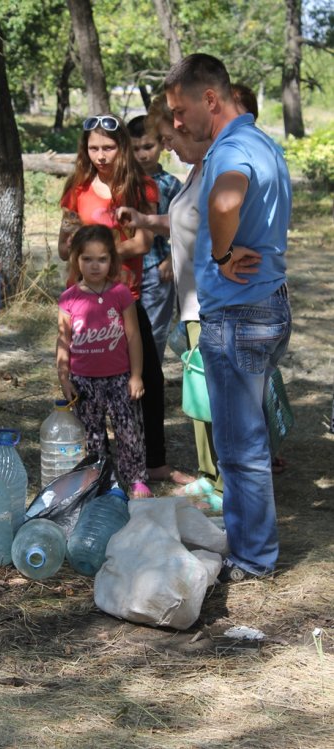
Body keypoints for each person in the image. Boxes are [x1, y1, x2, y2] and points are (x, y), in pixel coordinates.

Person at [165, 54, 292, 582]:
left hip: (239, 315)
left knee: (240, 449)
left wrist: (219, 255)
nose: (176, 123)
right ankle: (247, 541)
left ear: (210, 100)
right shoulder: (262, 141)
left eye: (179, 111)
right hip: (267, 304)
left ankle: (253, 557)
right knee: (244, 440)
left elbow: (225, 199)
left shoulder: (233, 149)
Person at [58, 114, 193, 486]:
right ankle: (94, 464)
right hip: (84, 303)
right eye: (94, 148)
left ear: (122, 148)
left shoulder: (140, 186)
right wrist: (74, 248)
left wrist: (101, 254)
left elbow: (142, 242)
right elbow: (62, 245)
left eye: (109, 147)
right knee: (86, 380)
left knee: (146, 374)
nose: (101, 156)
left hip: (125, 299)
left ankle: (154, 461)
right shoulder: (79, 188)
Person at [118, 97, 221, 511]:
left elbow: (209, 227)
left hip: (198, 295)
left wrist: (164, 256)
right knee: (200, 385)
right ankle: (212, 474)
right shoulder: (194, 172)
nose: (162, 147)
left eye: (164, 139)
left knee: (202, 385)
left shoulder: (196, 174)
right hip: (181, 295)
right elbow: (179, 223)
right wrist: (144, 222)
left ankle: (219, 480)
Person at [57, 224, 152, 499]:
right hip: (83, 381)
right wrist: (64, 377)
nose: (95, 265)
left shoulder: (120, 294)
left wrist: (136, 375)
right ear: (76, 259)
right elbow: (62, 341)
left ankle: (136, 480)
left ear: (111, 259)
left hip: (120, 377)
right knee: (92, 436)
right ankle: (97, 481)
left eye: (102, 259)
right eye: (87, 259)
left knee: (128, 431)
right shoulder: (69, 298)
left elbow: (134, 337)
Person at [127, 115, 182, 363]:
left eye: (148, 147)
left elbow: (186, 228)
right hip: (125, 266)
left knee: (155, 332)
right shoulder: (122, 182)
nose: (142, 155)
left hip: (157, 267)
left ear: (161, 144)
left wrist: (172, 258)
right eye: (135, 148)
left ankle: (151, 385)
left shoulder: (170, 185)